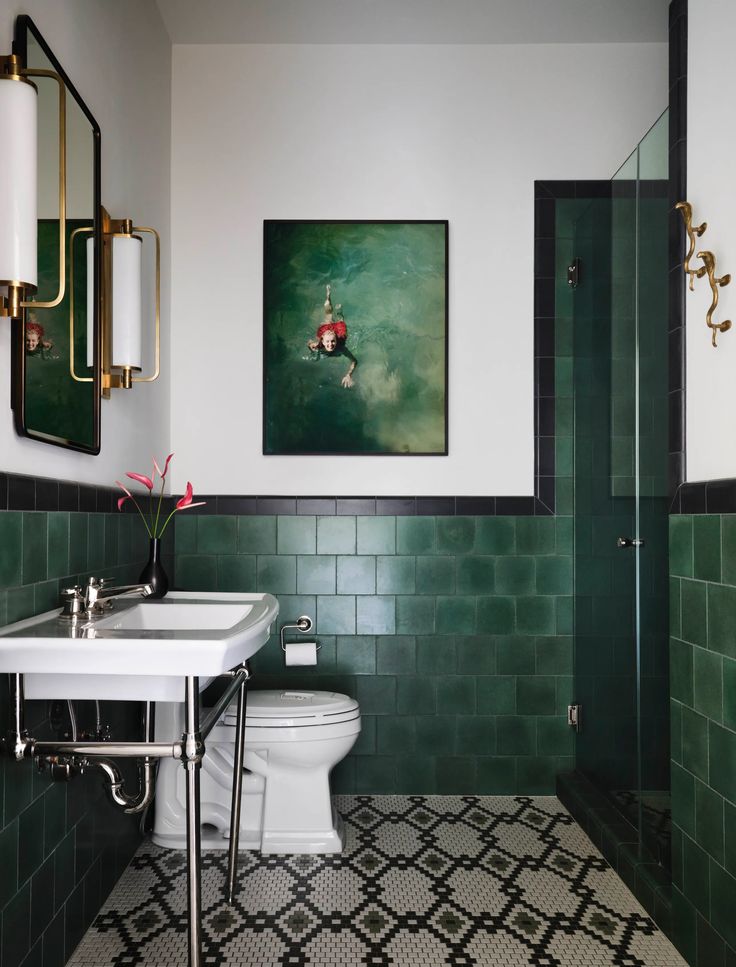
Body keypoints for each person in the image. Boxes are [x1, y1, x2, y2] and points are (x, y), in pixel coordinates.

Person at [307, 285, 357, 388]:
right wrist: (313, 351)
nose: (330, 345)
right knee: (328, 316)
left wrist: (349, 375)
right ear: (323, 342)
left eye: (333, 341)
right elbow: (309, 343)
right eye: (328, 342)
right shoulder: (318, 345)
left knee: (341, 321)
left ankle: (340, 312)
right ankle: (328, 297)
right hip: (325, 332)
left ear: (336, 340)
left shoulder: (341, 347)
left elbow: (354, 361)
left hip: (339, 333)